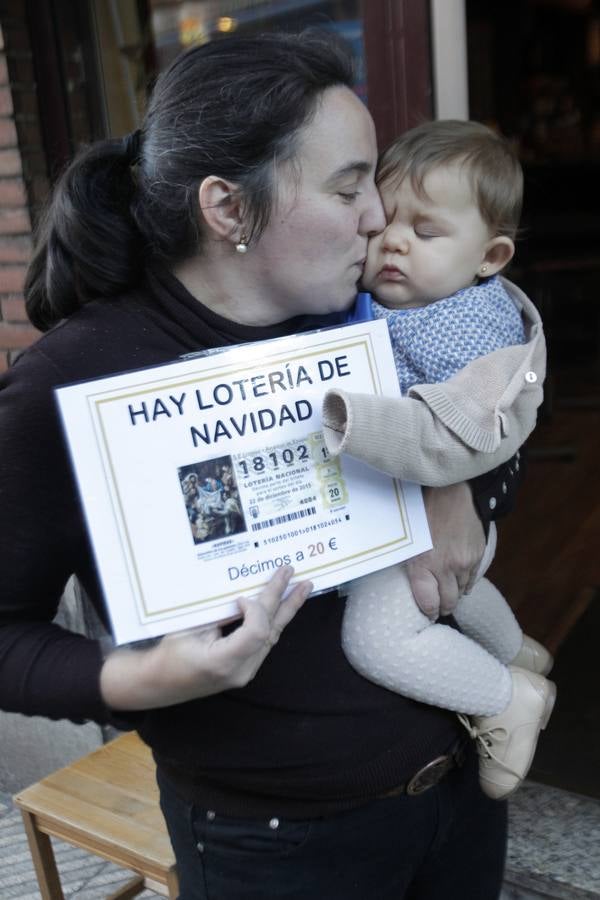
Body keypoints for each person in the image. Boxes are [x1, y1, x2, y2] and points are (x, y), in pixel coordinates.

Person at [0, 34, 520, 899]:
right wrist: (137, 680)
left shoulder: (367, 318)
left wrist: (457, 486)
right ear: (227, 209)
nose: (375, 221)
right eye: (350, 187)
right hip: (277, 846)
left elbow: (501, 439)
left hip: (461, 789)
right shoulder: (78, 378)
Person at [321, 120, 555, 800]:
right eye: (384, 225)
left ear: (491, 256)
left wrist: (351, 417)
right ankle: (518, 652)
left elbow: (453, 437)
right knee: (463, 591)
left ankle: (505, 695)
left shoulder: (471, 324)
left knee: (376, 636)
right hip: (412, 523)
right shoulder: (393, 304)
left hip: (441, 515)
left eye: (425, 233)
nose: (394, 241)